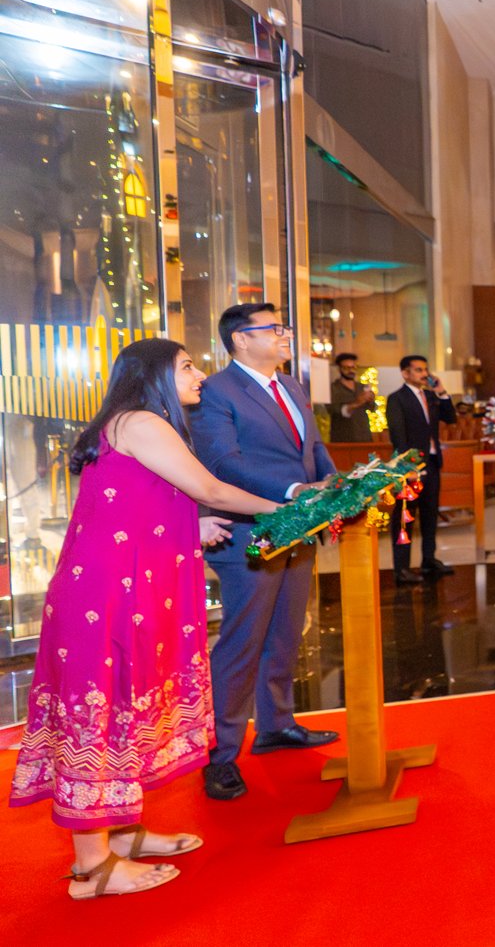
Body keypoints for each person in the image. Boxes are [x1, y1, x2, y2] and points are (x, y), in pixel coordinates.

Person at [8, 339, 279, 899]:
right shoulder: (140, 422)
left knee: (125, 702)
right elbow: (207, 488)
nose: (200, 374)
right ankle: (92, 869)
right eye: (186, 366)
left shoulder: (139, 424)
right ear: (152, 375)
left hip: (120, 584)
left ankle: (124, 834)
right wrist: (288, 506)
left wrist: (193, 529)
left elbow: (134, 505)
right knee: (102, 708)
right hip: (107, 593)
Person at [188, 302, 339, 803]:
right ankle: (220, 753)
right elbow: (222, 463)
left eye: (283, 327)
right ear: (239, 341)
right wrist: (296, 489)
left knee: (285, 633)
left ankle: (275, 724)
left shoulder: (291, 384)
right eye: (273, 328)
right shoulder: (216, 392)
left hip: (299, 528)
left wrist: (334, 487)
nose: (284, 334)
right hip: (251, 532)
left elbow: (311, 448)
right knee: (242, 642)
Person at [385, 354, 458, 583]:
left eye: (425, 369)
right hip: (410, 468)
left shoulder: (430, 395)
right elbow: (398, 436)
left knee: (429, 514)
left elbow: (451, 418)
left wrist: (442, 392)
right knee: (405, 518)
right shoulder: (397, 399)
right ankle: (402, 568)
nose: (424, 374)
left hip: (433, 464)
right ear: (405, 373)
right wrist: (408, 466)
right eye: (418, 370)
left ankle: (429, 560)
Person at [328, 352, 376, 443]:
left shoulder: (362, 387)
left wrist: (371, 400)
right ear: (339, 369)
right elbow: (332, 409)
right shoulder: (333, 388)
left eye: (353, 367)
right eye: (347, 368)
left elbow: (372, 408)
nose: (351, 371)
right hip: (343, 437)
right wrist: (356, 403)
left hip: (364, 436)